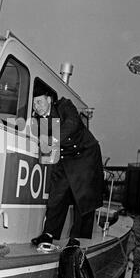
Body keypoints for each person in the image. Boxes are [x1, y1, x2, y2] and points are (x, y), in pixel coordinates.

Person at [31, 92, 104, 247]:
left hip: (85, 153)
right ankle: (48, 234)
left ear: (49, 100)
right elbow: (47, 152)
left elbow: (72, 124)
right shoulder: (40, 120)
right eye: (34, 104)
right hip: (64, 158)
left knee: (82, 197)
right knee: (56, 195)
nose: (36, 107)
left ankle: (77, 239)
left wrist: (52, 140)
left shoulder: (65, 105)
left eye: (39, 102)